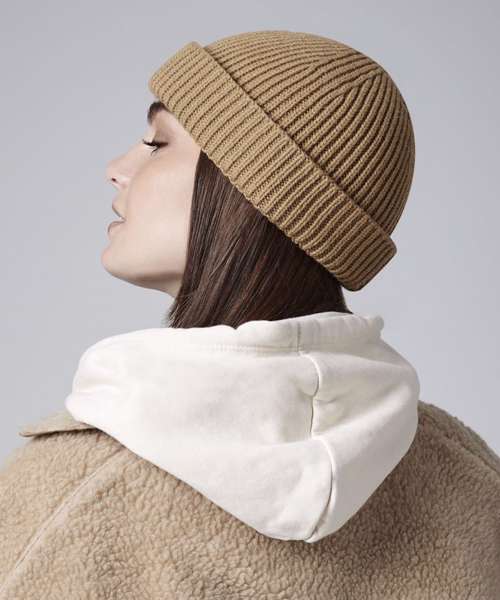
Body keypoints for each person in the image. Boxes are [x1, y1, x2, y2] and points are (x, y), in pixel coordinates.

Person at [1, 30, 499, 599]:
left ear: (252, 194)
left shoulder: (67, 498)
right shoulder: (470, 484)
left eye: (158, 143)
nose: (117, 167)